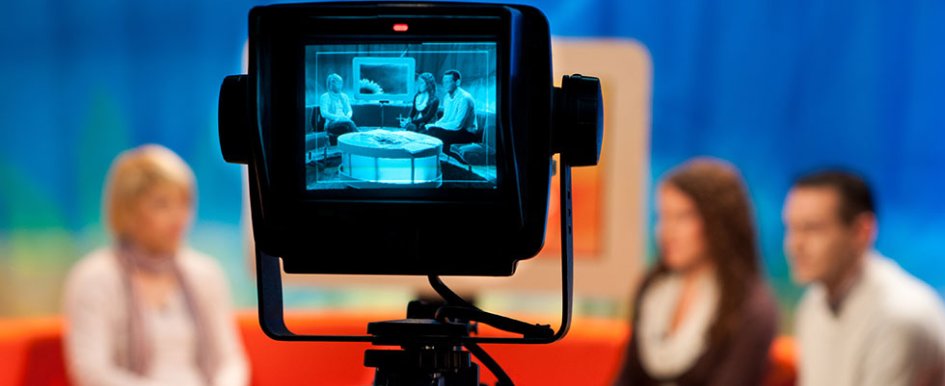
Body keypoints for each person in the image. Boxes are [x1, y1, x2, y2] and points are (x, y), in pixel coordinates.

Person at [63, 145, 249, 386]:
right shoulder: (94, 277)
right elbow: (91, 372)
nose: (179, 217)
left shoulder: (205, 273)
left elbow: (230, 361)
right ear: (128, 211)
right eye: (162, 204)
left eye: (184, 204)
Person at [614, 158, 778, 386]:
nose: (666, 231)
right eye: (662, 216)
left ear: (718, 222)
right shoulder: (653, 287)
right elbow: (627, 378)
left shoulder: (751, 308)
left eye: (682, 217)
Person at [783, 170, 945, 386]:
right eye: (791, 228)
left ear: (862, 231)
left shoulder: (898, 316)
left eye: (812, 228)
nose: (795, 245)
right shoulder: (814, 302)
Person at [423, 69, 478, 151]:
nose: (445, 84)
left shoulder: (464, 98)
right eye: (444, 82)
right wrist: (434, 124)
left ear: (457, 82)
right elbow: (446, 118)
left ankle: (444, 159)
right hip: (454, 130)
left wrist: (437, 126)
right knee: (426, 130)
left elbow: (458, 125)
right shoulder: (447, 97)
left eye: (448, 82)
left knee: (435, 132)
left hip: (467, 133)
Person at [320, 73, 357, 145]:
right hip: (331, 123)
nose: (340, 85)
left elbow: (349, 110)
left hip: (345, 120)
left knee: (348, 123)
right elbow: (324, 113)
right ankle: (359, 142)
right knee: (349, 123)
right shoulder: (325, 97)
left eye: (340, 83)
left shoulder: (344, 96)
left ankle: (353, 146)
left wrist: (347, 117)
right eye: (332, 82)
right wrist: (339, 118)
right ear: (330, 84)